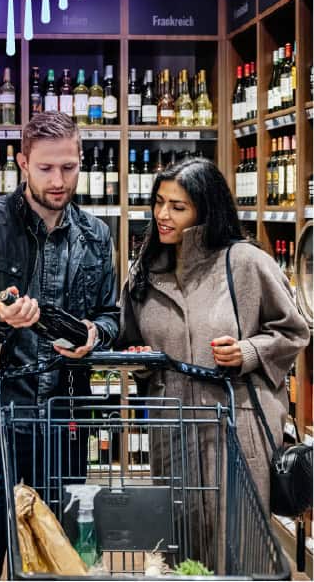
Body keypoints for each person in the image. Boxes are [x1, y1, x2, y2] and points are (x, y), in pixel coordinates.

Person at [0, 111, 119, 580]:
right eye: (45, 168)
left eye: (68, 167)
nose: (58, 180)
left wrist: (95, 336)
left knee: (57, 555)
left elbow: (112, 316)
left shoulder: (97, 235)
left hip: (64, 419)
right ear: (23, 162)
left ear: (81, 161)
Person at [118, 157, 310, 568]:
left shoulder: (245, 262)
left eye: (178, 206)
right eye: (159, 202)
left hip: (236, 429)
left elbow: (294, 331)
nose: (162, 215)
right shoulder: (144, 273)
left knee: (239, 548)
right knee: (180, 546)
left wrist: (249, 352)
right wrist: (140, 361)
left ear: (206, 209)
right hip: (171, 428)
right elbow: (130, 340)